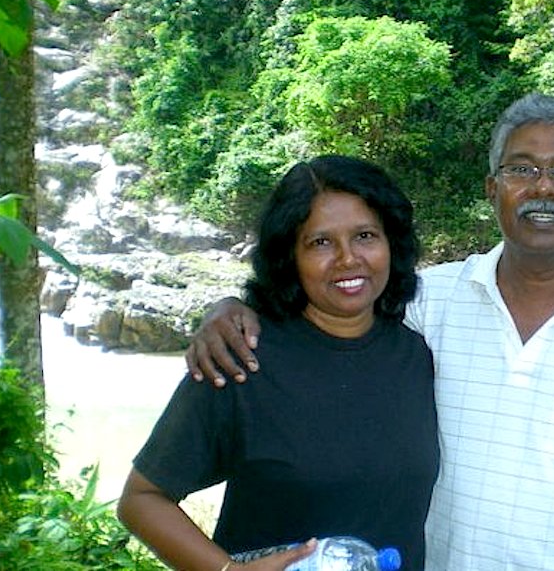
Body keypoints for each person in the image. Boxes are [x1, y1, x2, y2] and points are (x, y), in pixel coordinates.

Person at [186, 94, 554, 571]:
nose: (542, 188)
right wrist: (229, 308)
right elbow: (331, 299)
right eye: (521, 169)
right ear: (492, 189)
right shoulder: (427, 300)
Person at [118, 155, 440, 571]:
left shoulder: (416, 354)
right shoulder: (242, 359)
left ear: (391, 244)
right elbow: (142, 499)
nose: (347, 259)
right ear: (289, 256)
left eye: (364, 235)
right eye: (320, 242)